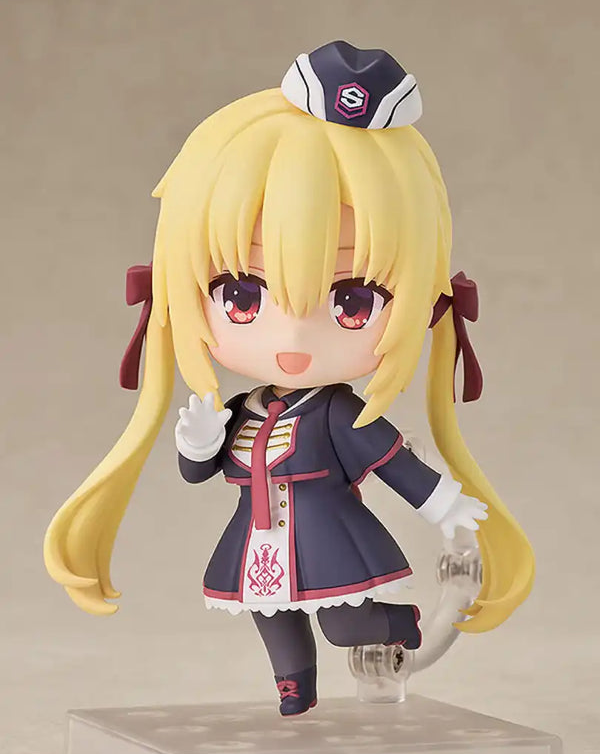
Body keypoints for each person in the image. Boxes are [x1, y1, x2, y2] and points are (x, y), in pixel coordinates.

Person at [44, 40, 534, 716]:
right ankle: (294, 694)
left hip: (329, 538)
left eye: (352, 302)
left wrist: (443, 502)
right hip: (258, 542)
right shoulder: (244, 406)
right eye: (242, 296)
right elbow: (198, 472)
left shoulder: (337, 413)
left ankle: (398, 625)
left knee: (345, 623)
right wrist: (197, 441)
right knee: (270, 616)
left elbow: (391, 460)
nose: (294, 339)